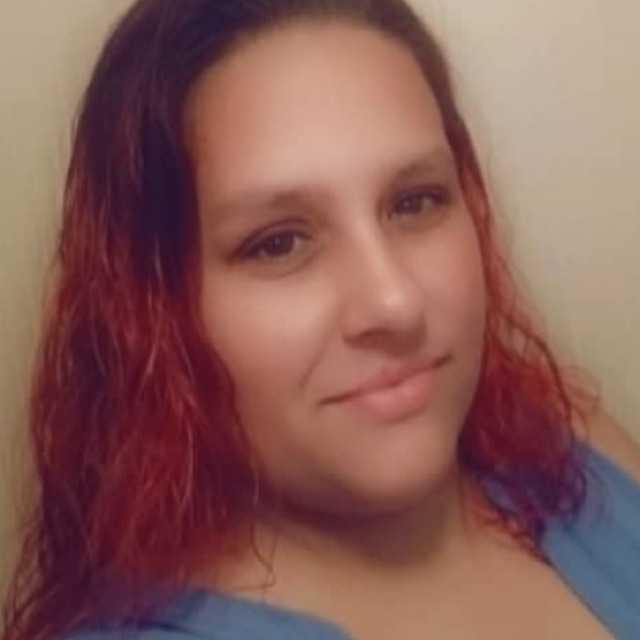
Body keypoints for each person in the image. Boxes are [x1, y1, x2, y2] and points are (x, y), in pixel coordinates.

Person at [3, 0, 639, 638]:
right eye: (278, 243)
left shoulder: (564, 437)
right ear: (154, 304)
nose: (396, 303)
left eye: (415, 202)